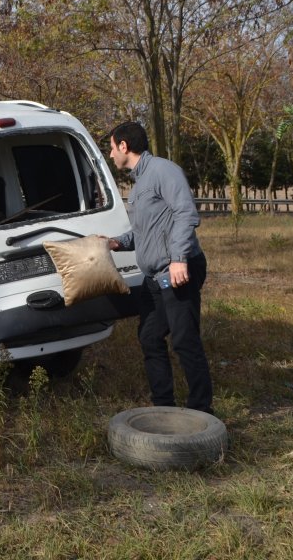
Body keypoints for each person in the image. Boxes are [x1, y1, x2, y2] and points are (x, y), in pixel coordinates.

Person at [105, 121, 213, 414]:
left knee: (184, 340)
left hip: (178, 270)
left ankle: (202, 412)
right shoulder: (140, 184)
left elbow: (185, 214)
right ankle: (163, 406)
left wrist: (179, 258)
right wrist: (116, 243)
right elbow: (144, 233)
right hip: (155, 277)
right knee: (150, 337)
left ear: (124, 146)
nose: (111, 155)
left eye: (112, 148)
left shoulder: (164, 171)